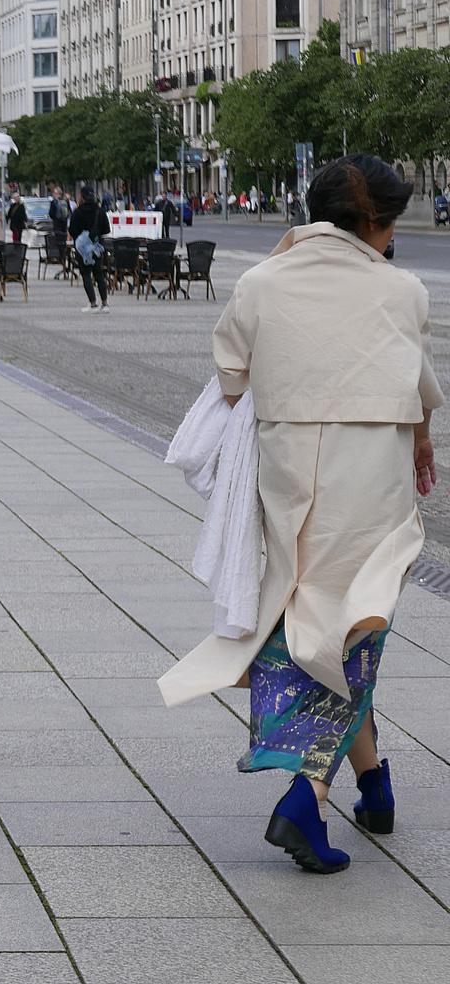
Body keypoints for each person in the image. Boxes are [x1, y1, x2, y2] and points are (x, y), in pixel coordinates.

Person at [160, 155, 440, 874]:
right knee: (354, 623)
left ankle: (373, 785)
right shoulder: (400, 289)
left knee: (316, 611)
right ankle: (306, 796)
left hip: (288, 474)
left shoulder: (260, 281)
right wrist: (422, 446)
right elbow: (415, 385)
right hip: (370, 478)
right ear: (375, 223)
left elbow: (230, 373)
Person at [69, 185, 110, 313]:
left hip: (82, 248)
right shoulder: (100, 211)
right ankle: (105, 303)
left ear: (82, 197)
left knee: (86, 274)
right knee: (99, 274)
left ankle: (93, 303)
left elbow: (72, 230)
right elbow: (106, 230)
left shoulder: (78, 212)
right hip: (97, 246)